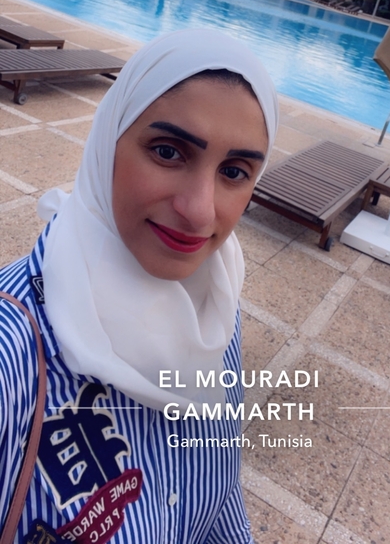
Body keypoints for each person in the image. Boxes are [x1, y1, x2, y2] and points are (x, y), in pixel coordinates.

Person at [0, 28, 278, 544]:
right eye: (168, 152)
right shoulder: (14, 351)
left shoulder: (217, 310)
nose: (199, 211)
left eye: (235, 172)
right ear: (108, 143)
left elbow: (220, 496)